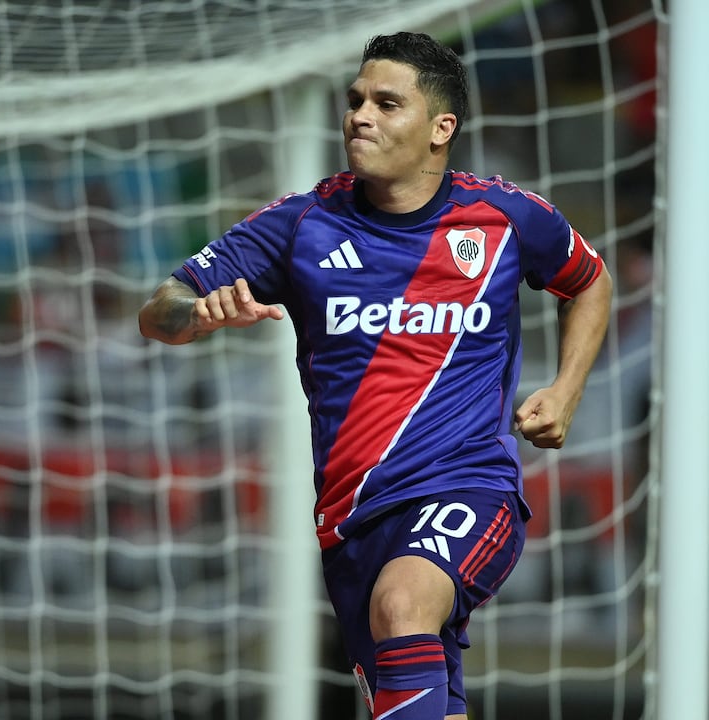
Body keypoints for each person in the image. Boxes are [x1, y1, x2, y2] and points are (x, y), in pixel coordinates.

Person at [138, 31, 611, 720]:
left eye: (387, 104)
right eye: (356, 99)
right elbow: (160, 309)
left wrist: (565, 390)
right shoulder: (303, 224)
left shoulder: (504, 217)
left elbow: (588, 282)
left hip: (468, 486)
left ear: (440, 128)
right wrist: (199, 314)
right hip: (353, 520)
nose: (360, 115)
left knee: (402, 603)